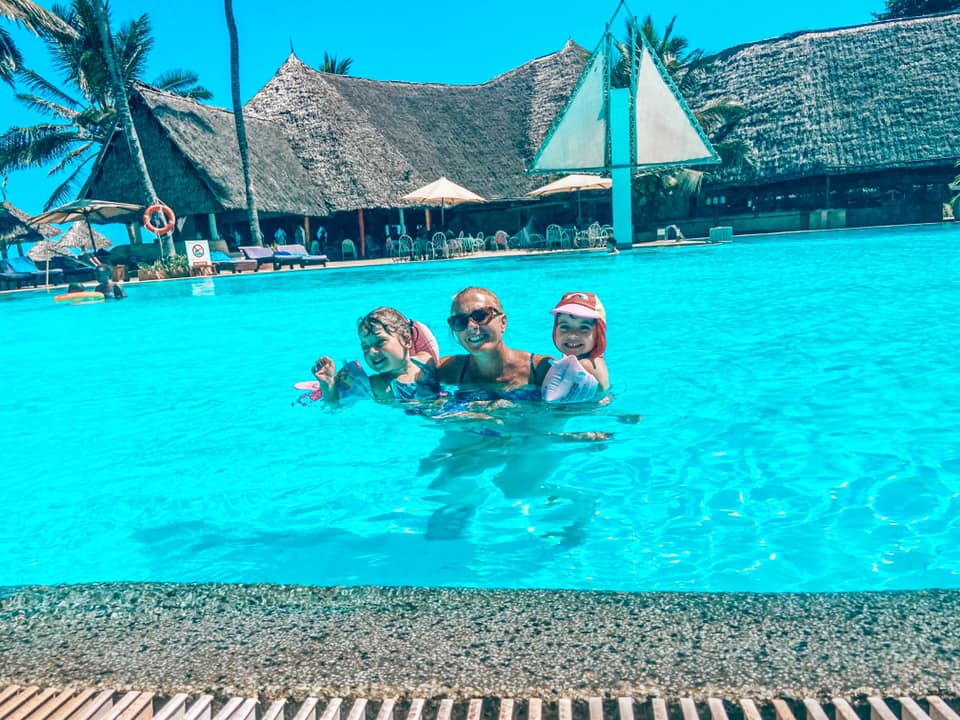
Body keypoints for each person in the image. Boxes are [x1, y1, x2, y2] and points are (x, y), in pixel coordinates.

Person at [436, 286, 552, 400]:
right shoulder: (448, 370)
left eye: (480, 316)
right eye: (460, 321)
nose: (470, 326)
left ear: (503, 322)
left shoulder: (542, 369)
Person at [313, 307, 440, 404]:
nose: (372, 351)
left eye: (380, 342)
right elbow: (336, 404)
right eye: (365, 347)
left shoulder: (425, 360)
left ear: (407, 341)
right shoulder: (380, 386)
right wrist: (328, 386)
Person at [549, 291, 609, 391]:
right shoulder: (592, 360)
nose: (572, 335)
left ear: (598, 334)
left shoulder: (583, 366)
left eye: (584, 328)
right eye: (565, 326)